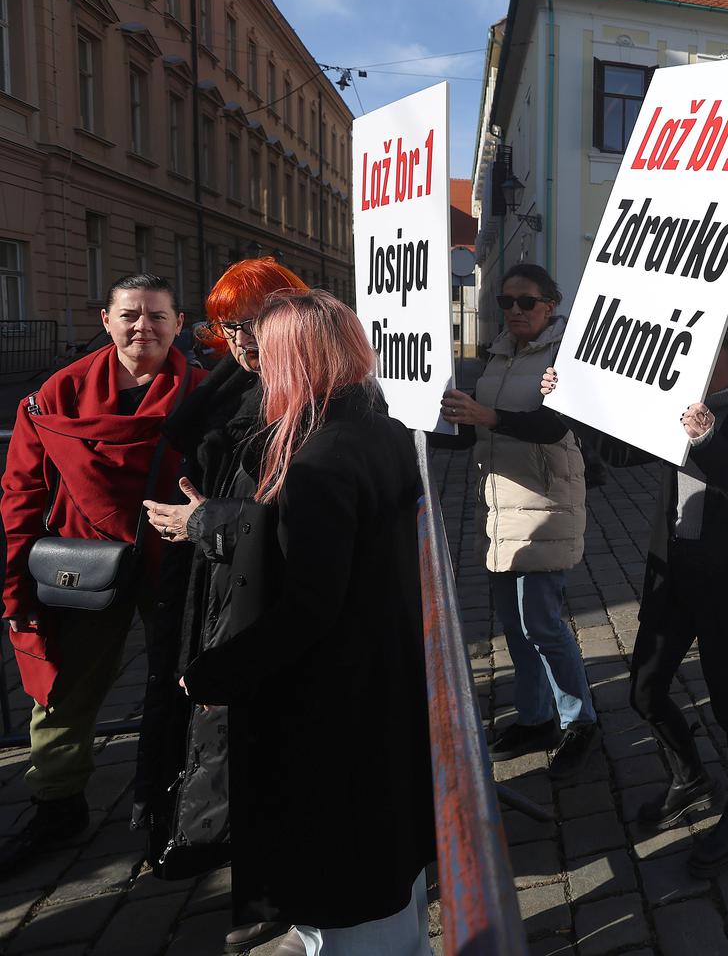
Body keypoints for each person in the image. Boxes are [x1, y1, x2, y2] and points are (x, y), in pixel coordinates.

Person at [173, 289, 435, 954]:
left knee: (344, 871)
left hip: (333, 698)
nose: (257, 367)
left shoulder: (317, 460)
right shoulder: (380, 428)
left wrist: (213, 672)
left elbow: (310, 607)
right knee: (382, 853)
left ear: (296, 360)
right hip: (381, 675)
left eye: (267, 354)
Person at [542, 309, 728, 877]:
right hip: (673, 573)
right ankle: (690, 777)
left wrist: (705, 435)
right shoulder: (674, 406)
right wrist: (570, 402)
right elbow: (622, 453)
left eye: (713, 354)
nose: (699, 363)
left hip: (727, 584)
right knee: (645, 692)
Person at [0, 275, 202, 876]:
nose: (144, 327)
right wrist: (13, 580)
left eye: (158, 316)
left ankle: (187, 805)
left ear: (179, 322)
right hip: (83, 564)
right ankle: (56, 804)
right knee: (64, 689)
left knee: (190, 686)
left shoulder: (205, 393)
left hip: (179, 562)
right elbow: (21, 491)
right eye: (131, 315)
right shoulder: (56, 395)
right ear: (106, 320)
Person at [138, 257, 308, 954]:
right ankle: (227, 860)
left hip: (260, 594)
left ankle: (274, 894)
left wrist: (202, 523)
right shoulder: (228, 386)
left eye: (250, 323)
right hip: (204, 585)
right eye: (225, 325)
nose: (236, 338)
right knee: (214, 731)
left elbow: (296, 516)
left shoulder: (305, 396)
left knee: (263, 743)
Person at [438, 263, 598, 777]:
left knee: (542, 624)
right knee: (514, 626)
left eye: (525, 302)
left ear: (549, 304)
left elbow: (554, 426)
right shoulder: (498, 355)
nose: (514, 311)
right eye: (506, 303)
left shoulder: (569, 354)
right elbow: (472, 434)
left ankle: (580, 722)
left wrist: (487, 416)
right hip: (502, 504)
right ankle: (535, 719)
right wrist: (421, 423)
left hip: (548, 503)